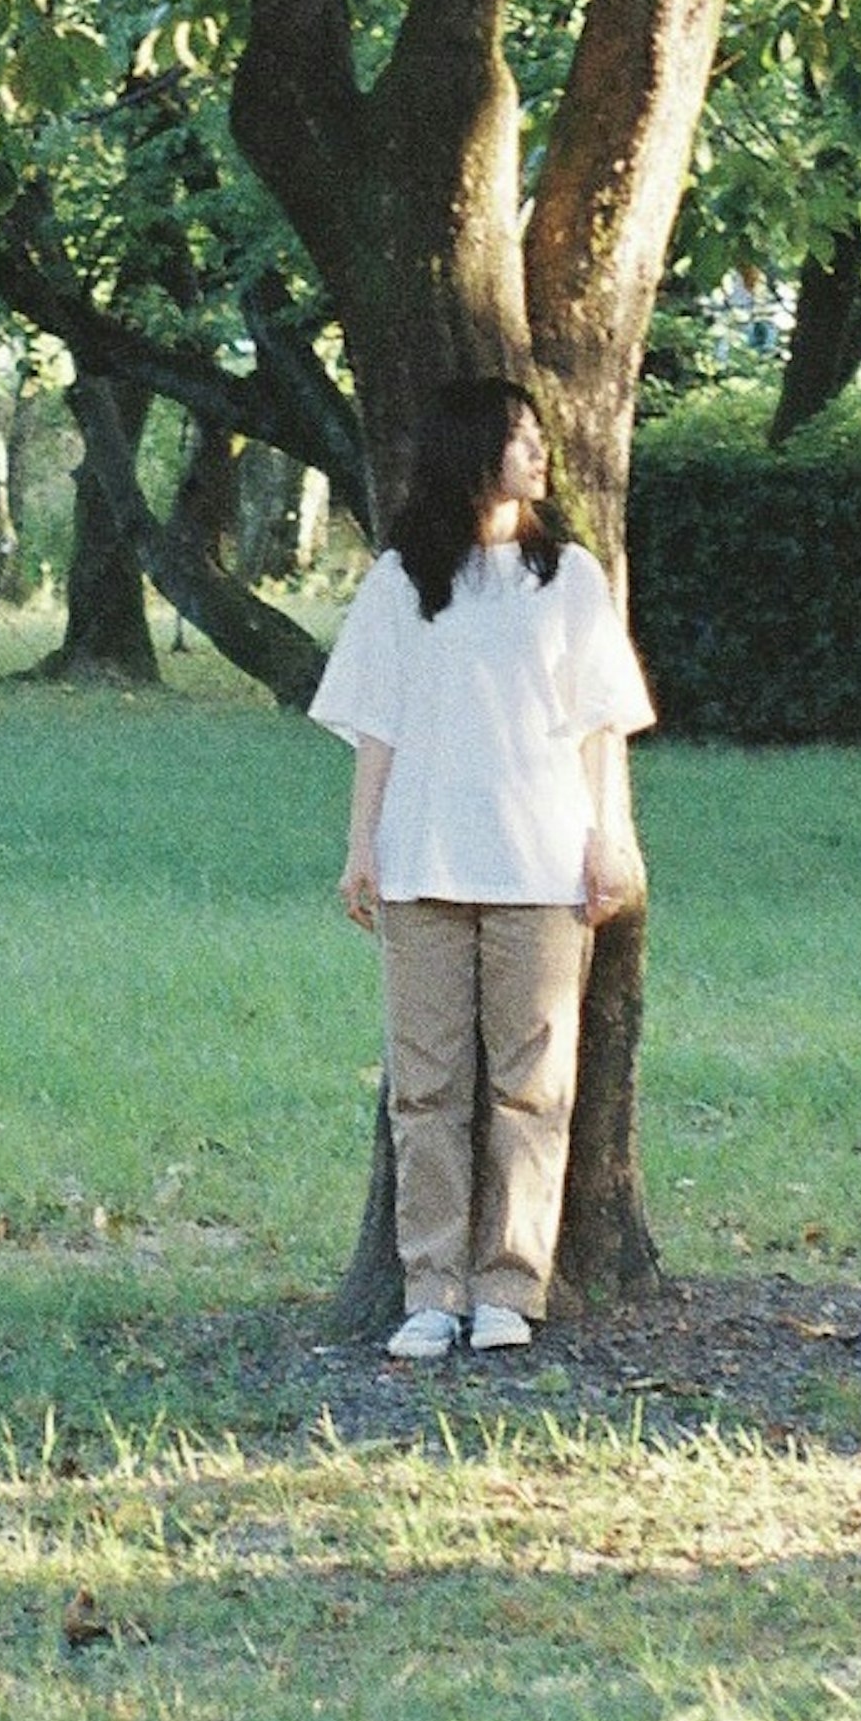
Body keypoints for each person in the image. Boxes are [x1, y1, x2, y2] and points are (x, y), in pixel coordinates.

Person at [309, 370, 654, 1360]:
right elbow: (375, 727)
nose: (540, 452)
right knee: (425, 1087)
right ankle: (432, 1285)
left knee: (532, 1086)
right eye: (520, 436)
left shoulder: (569, 578)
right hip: (422, 861)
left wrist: (610, 838)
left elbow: (603, 728)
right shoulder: (400, 582)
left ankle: (511, 1284)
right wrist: (359, 846)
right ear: (472, 451)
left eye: (541, 435)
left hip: (541, 865)